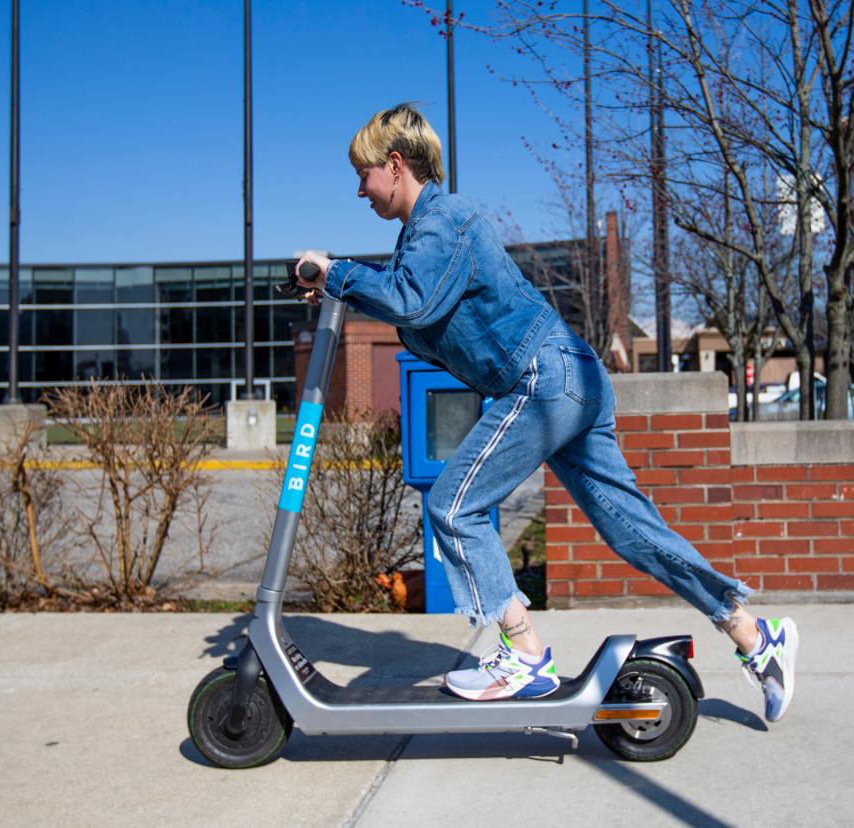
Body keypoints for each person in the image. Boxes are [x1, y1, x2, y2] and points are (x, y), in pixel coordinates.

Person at [295, 103, 798, 722]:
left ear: (395, 166)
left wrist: (337, 270)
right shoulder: (418, 239)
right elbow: (405, 296)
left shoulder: (445, 218)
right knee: (631, 530)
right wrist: (337, 283)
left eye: (364, 173)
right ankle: (754, 635)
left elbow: (413, 302)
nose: (359, 189)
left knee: (453, 505)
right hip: (569, 377)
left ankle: (523, 653)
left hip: (541, 379)